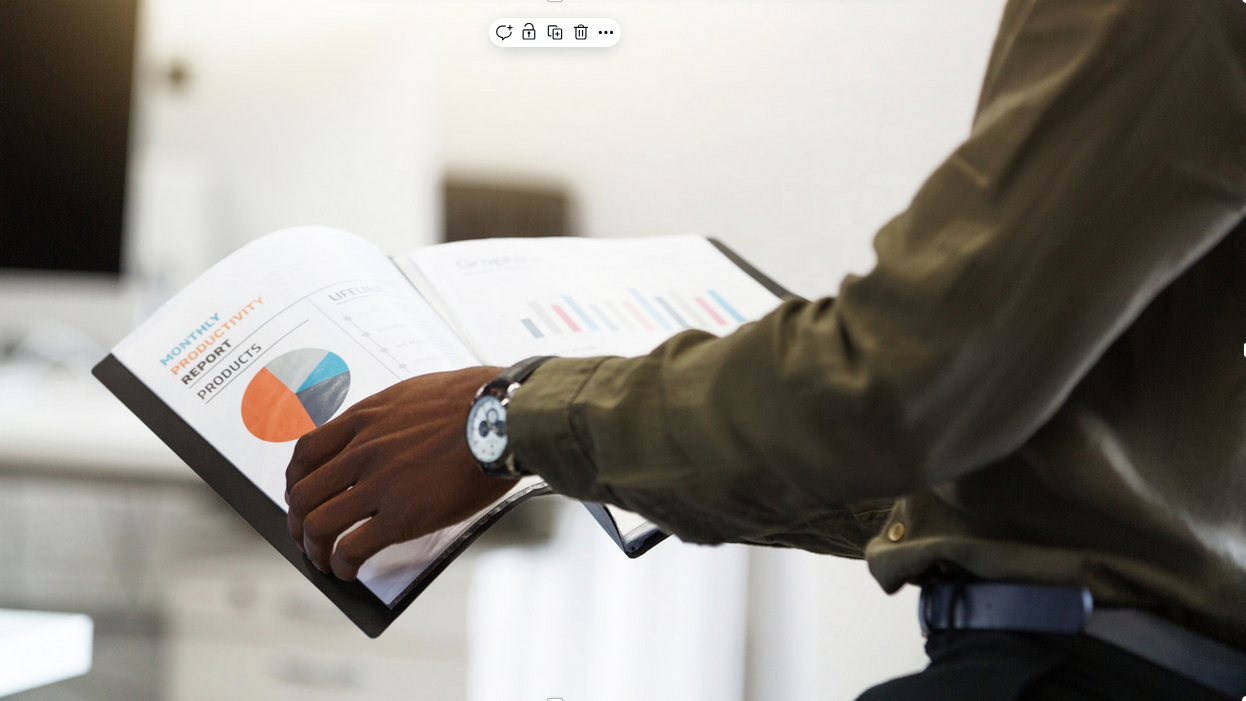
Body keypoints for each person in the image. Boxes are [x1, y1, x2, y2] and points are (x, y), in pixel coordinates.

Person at [284, 0, 1246, 697]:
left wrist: (506, 419)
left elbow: (899, 384)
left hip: (1070, 671)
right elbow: (963, 452)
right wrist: (587, 436)